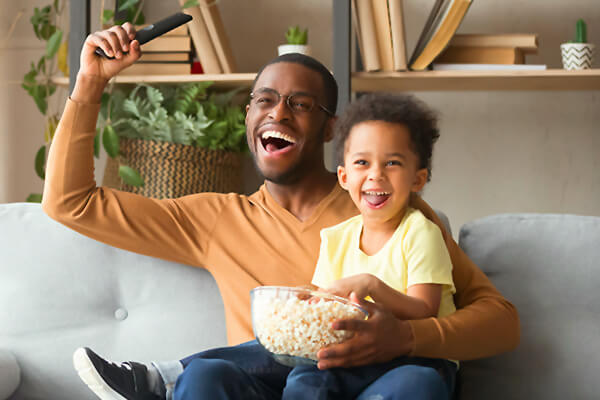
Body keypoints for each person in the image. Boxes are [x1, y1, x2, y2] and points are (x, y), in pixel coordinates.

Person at [42, 22, 519, 400]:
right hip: (271, 387)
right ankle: (163, 380)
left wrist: (409, 341)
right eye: (263, 101)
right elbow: (70, 203)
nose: (278, 114)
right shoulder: (214, 220)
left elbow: (501, 321)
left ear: (332, 129)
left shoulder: (388, 210)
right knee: (204, 377)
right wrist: (89, 84)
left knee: (415, 384)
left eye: (300, 104)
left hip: (380, 383)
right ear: (248, 118)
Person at [272, 92, 459, 399]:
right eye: (362, 162)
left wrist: (371, 285)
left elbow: (425, 311)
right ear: (344, 176)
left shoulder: (420, 232)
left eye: (393, 163)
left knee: (416, 385)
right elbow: (324, 305)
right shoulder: (335, 238)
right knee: (305, 376)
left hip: (414, 360)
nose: (376, 175)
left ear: (417, 179)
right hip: (353, 357)